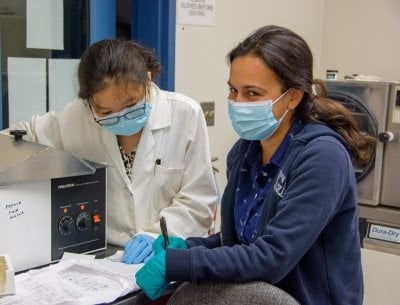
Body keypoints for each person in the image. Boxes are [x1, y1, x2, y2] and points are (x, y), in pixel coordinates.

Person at [134, 25, 375, 305]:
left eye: (252, 94)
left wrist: (180, 263)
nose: (237, 102)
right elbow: (241, 244)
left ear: (293, 97)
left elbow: (271, 257)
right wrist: (187, 246)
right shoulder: (244, 153)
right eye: (233, 90)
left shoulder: (322, 157)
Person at [3, 39, 219, 263]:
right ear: (88, 102)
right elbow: (25, 136)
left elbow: (199, 200)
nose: (121, 117)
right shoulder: (78, 116)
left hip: (168, 252)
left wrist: (153, 237)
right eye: (105, 111)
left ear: (147, 78)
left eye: (130, 105)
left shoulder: (185, 114)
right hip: (107, 258)